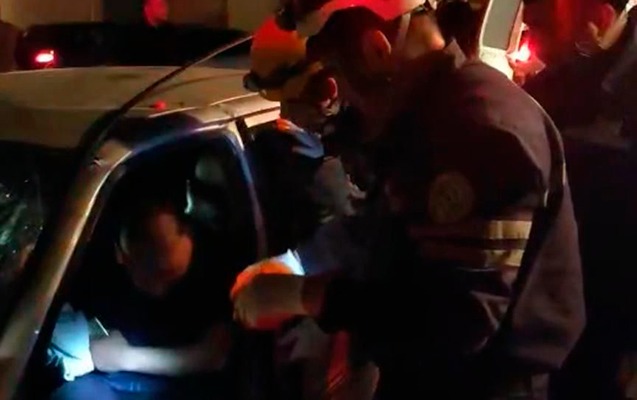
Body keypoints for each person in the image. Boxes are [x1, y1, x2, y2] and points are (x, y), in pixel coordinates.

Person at [230, 0, 586, 398]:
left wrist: (311, 297)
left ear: (376, 49)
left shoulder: (474, 129)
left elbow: (452, 323)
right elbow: (386, 228)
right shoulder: (435, 114)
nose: (341, 98)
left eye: (337, 75)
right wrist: (297, 265)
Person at [244, 17, 378, 400]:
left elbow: (368, 244)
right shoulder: (308, 153)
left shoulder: (383, 145)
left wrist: (304, 301)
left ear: (329, 91)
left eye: (291, 103)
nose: (284, 117)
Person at [518, 1, 637, 398]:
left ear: (599, 19)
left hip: (609, 320)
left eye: (544, 27)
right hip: (545, 317)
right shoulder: (553, 85)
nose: (532, 41)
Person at [52, 187, 237, 400]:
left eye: (171, 273)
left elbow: (214, 356)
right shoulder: (95, 259)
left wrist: (125, 357)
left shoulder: (214, 263)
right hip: (105, 377)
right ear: (121, 255)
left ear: (189, 236)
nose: (161, 288)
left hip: (181, 383)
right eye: (152, 273)